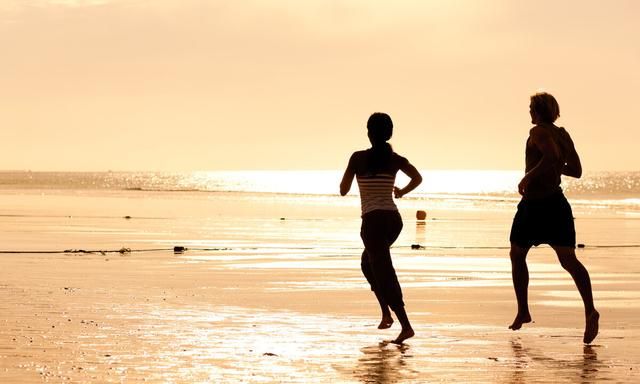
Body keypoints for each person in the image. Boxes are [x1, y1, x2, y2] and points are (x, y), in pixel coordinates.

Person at [509, 92, 599, 344]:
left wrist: (528, 176)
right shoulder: (563, 134)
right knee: (569, 260)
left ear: (537, 111)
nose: (529, 112)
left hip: (535, 206)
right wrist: (553, 167)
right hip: (557, 204)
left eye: (530, 108)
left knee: (517, 254)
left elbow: (549, 157)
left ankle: (524, 310)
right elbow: (576, 170)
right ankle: (590, 309)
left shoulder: (537, 132)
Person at [340, 112, 423, 344]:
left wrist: (352, 175)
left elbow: (343, 189)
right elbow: (417, 177)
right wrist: (402, 191)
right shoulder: (395, 159)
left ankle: (405, 325)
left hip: (373, 222)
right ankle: (386, 313)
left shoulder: (357, 158)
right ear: (389, 133)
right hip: (393, 221)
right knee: (368, 264)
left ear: (368, 133)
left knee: (383, 270)